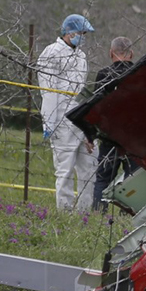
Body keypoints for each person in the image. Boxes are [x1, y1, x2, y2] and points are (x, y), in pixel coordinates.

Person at [37, 13, 98, 211]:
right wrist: (49, 123)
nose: (83, 37)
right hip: (61, 116)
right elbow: (49, 91)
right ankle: (64, 212)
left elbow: (81, 89)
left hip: (79, 115)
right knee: (65, 169)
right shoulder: (51, 53)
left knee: (88, 168)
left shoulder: (81, 56)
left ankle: (84, 213)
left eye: (85, 33)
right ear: (69, 32)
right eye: (81, 33)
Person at [92, 36, 137, 210]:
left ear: (111, 53)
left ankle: (97, 215)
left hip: (110, 137)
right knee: (132, 180)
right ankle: (128, 218)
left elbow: (96, 107)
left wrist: (93, 134)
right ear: (131, 53)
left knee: (103, 179)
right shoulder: (139, 73)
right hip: (134, 139)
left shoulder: (104, 75)